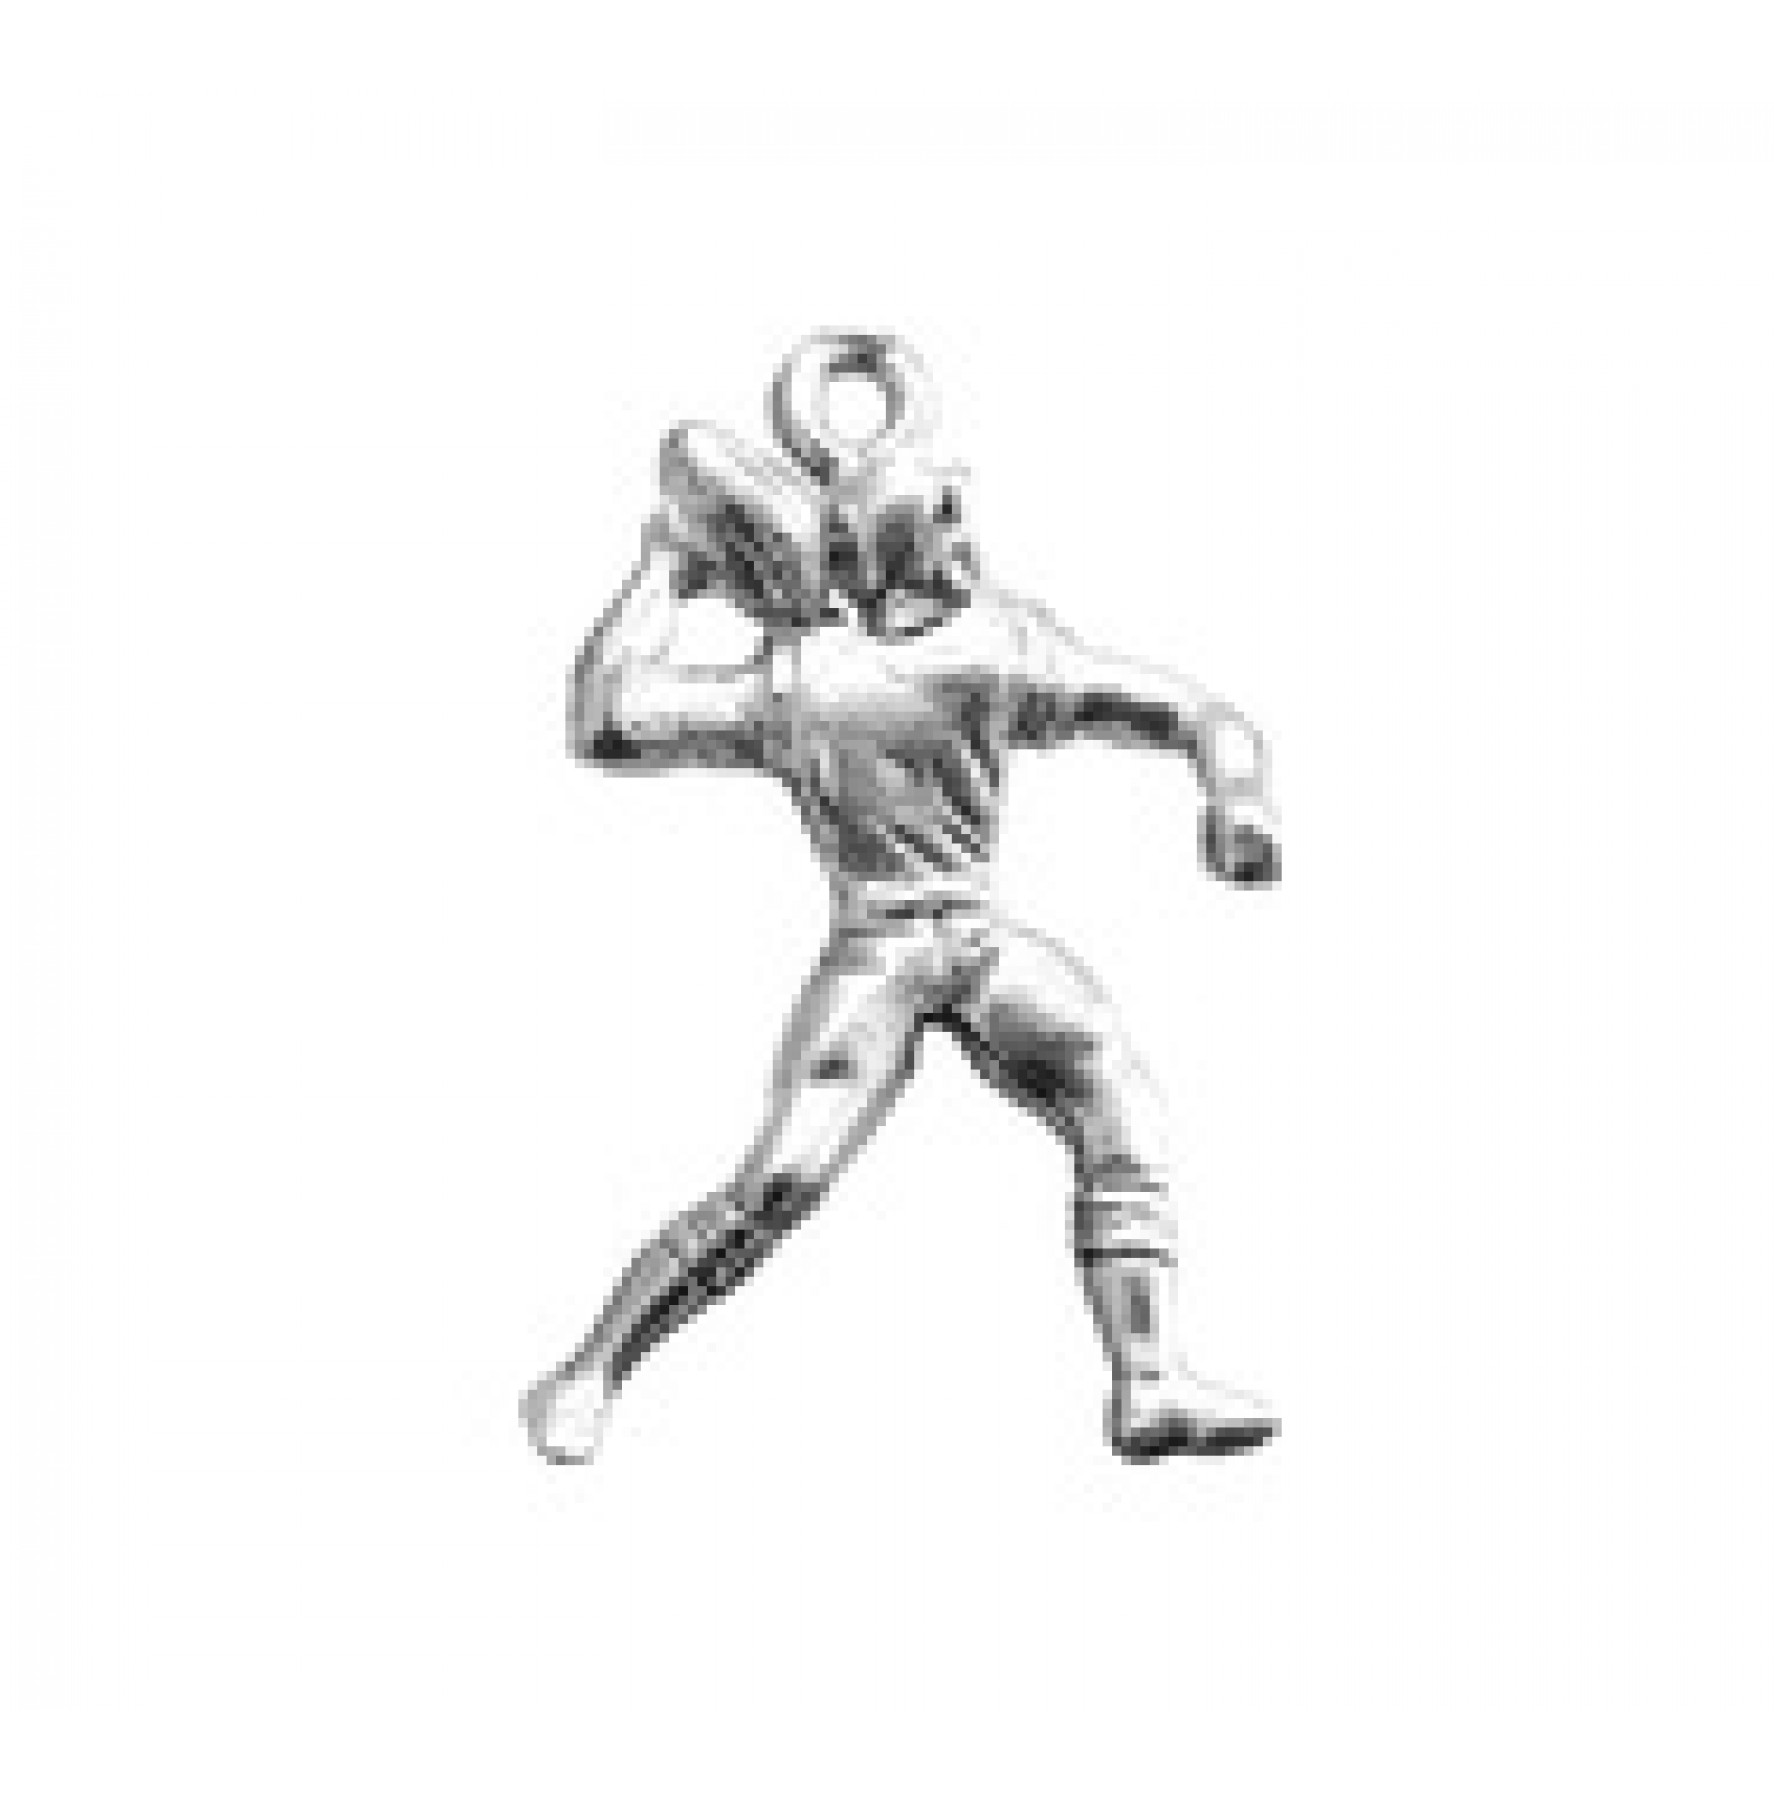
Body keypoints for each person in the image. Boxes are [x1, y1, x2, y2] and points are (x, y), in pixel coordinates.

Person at [524, 333, 1282, 1464]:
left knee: (1114, 1099)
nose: (970, 547)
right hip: (883, 951)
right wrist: (1233, 793)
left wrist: (661, 573)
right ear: (913, 545)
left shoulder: (935, 661)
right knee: (781, 1181)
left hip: (968, 942)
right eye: (951, 528)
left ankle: (1150, 1380)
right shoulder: (863, 672)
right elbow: (1201, 719)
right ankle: (590, 1372)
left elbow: (611, 714)